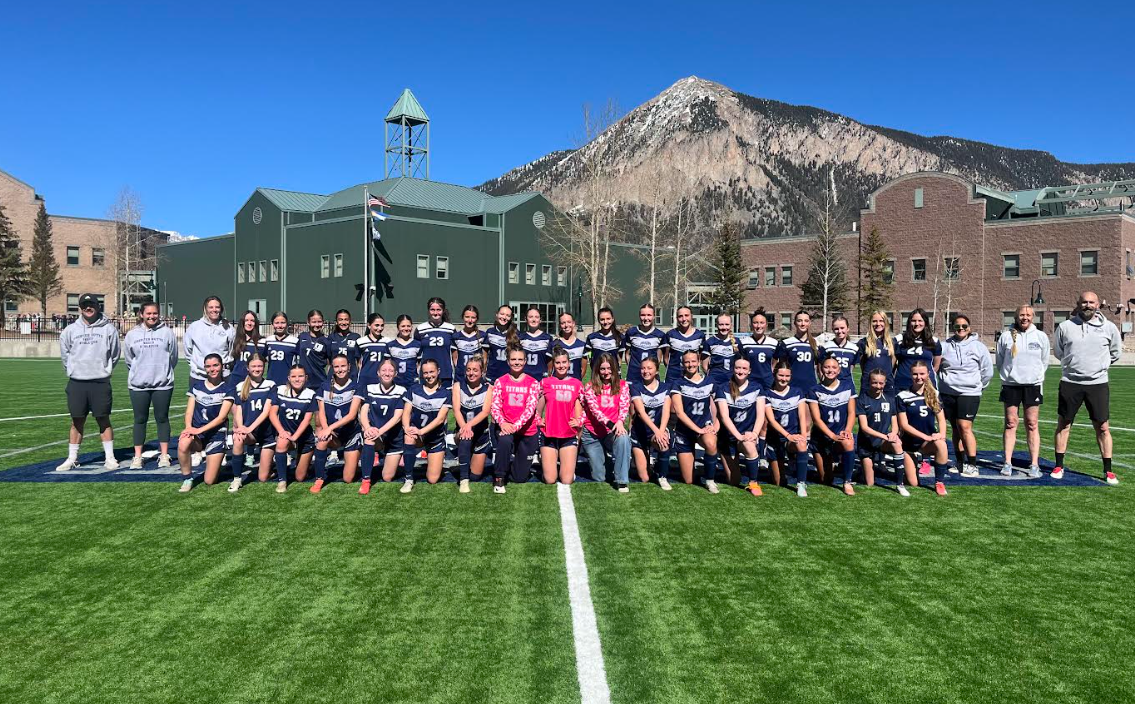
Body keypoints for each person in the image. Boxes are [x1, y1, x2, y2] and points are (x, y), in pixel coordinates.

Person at [1053, 291, 1122, 484]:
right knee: (1064, 424)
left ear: (1098, 305)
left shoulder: (1109, 328)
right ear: (1078, 304)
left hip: (1098, 384)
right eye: (1084, 302)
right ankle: (1058, 466)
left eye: (1091, 302)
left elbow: (1115, 352)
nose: (1088, 305)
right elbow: (1059, 352)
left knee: (1102, 427)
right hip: (1070, 383)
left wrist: (1100, 367)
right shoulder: (1065, 327)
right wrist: (1072, 366)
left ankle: (1108, 470)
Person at [56, 293, 122, 471]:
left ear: (98, 306)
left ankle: (110, 457)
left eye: (91, 304)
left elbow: (115, 354)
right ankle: (72, 458)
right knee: (77, 420)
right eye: (84, 305)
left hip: (100, 382)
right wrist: (73, 371)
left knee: (103, 419)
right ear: (80, 308)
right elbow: (65, 355)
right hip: (77, 382)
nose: (88, 307)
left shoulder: (109, 329)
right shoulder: (70, 330)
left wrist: (104, 369)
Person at [995, 305, 1050, 478]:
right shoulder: (1005, 336)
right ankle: (1007, 463)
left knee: (1032, 423)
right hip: (1011, 385)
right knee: (1011, 423)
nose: (1024, 317)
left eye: (1028, 315)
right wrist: (1009, 376)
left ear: (1033, 316)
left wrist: (1034, 376)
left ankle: (1034, 464)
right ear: (1016, 316)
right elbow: (999, 361)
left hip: (1032, 385)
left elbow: (1045, 361)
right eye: (1021, 315)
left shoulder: (1041, 337)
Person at [123, 300, 177, 469]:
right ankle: (138, 457)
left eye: (155, 313)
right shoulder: (132, 335)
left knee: (162, 418)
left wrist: (163, 370)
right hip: (139, 385)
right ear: (141, 314)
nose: (152, 316)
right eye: (149, 313)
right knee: (140, 419)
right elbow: (129, 360)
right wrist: (141, 372)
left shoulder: (167, 333)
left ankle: (164, 455)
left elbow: (173, 357)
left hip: (162, 384)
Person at [938, 314, 993, 477]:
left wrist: (977, 386)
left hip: (969, 393)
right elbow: (937, 367)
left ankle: (972, 464)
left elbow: (987, 371)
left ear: (969, 328)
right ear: (952, 328)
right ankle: (960, 461)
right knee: (955, 429)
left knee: (965, 427)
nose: (961, 329)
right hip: (948, 393)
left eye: (964, 326)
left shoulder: (979, 347)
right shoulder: (944, 346)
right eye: (957, 326)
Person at [177, 353, 233, 493]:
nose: (212, 369)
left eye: (215, 365)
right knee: (183, 442)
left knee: (209, 481)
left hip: (216, 435)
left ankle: (217, 457)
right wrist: (189, 428)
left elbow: (221, 418)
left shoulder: (228, 388)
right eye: (208, 366)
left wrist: (198, 430)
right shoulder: (197, 386)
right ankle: (187, 478)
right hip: (198, 434)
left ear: (221, 367)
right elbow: (189, 411)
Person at [490, 346, 542, 493]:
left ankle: (514, 465)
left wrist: (514, 426)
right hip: (506, 427)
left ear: (525, 361)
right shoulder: (500, 381)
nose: (517, 362)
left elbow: (530, 409)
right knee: (505, 440)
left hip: (526, 430)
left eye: (520, 359)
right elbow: (495, 407)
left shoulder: (533, 383)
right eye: (513, 359)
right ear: (508, 361)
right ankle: (499, 478)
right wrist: (503, 423)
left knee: (519, 478)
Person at [310, 354, 364, 493]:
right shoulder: (324, 386)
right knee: (321, 440)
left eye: (343, 366)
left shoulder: (356, 387)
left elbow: (352, 415)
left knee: (348, 478)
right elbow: (321, 412)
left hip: (351, 434)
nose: (340, 369)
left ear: (349, 367)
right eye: (336, 366)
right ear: (332, 368)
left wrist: (330, 428)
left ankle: (357, 455)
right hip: (334, 434)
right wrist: (327, 429)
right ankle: (319, 478)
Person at [671, 349, 723, 492]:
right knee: (688, 480)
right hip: (685, 432)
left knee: (711, 442)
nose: (690, 364)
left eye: (693, 361)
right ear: (682, 364)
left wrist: (715, 426)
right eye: (687, 361)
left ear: (699, 361)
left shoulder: (709, 381)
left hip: (703, 428)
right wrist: (698, 429)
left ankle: (710, 479)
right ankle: (700, 468)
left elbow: (720, 407)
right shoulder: (678, 384)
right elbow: (680, 413)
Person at [580, 353, 632, 492]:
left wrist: (620, 422)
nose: (606, 372)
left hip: (612, 432)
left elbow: (624, 406)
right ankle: (607, 461)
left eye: (609, 368)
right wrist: (614, 424)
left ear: (614, 369)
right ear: (597, 370)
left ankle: (622, 481)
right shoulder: (589, 387)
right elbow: (596, 412)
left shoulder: (623, 385)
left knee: (624, 438)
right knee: (600, 477)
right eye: (602, 369)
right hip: (592, 434)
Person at [897, 360, 951, 496]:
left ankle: (939, 482)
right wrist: (925, 436)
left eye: (922, 374)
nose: (918, 377)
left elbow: (941, 420)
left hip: (927, 443)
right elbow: (904, 425)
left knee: (942, 444)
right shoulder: (903, 396)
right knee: (913, 483)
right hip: (909, 445)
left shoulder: (934, 394)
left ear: (928, 374)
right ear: (910, 375)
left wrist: (941, 435)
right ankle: (909, 466)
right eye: (915, 374)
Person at [856, 368, 911, 496]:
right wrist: (885, 436)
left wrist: (893, 434)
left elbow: (895, 424)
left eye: (881, 383)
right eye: (874, 382)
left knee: (897, 443)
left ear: (885, 383)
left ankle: (899, 484)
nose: (878, 386)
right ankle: (861, 472)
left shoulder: (890, 399)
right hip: (867, 443)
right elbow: (864, 427)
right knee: (869, 482)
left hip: (882, 441)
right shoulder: (862, 400)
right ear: (869, 382)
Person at [807, 357, 857, 495]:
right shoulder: (814, 390)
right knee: (826, 479)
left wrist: (847, 430)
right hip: (822, 438)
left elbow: (852, 412)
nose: (830, 370)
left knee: (848, 441)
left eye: (834, 367)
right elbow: (816, 419)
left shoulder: (847, 386)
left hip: (840, 434)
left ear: (839, 370)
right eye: (827, 367)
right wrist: (832, 436)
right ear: (821, 369)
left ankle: (847, 481)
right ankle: (832, 463)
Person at [358, 359, 408, 495]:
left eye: (391, 370)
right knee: (368, 438)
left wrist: (379, 431)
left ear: (395, 373)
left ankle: (393, 459)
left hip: (393, 439)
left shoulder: (401, 390)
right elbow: (363, 411)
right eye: (384, 370)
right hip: (376, 435)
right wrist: (368, 428)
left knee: (387, 477)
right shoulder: (369, 388)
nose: (387, 373)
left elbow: (397, 417)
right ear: (378, 373)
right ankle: (366, 480)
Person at [715, 358, 765, 494]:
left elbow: (761, 415)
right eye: (737, 368)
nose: (740, 371)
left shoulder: (757, 388)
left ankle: (753, 483)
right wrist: (738, 436)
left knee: (749, 445)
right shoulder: (723, 388)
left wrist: (754, 434)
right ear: (733, 369)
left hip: (747, 435)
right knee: (734, 481)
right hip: (728, 437)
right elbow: (724, 416)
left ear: (749, 371)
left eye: (744, 369)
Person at [400, 358, 452, 492]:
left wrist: (421, 431)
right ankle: (409, 479)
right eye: (426, 373)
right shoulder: (414, 389)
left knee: (432, 479)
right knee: (408, 437)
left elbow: (440, 419)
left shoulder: (446, 393)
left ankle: (435, 457)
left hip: (435, 438)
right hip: (417, 435)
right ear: (421, 374)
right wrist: (407, 428)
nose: (429, 376)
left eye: (432, 372)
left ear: (438, 371)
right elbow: (406, 413)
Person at [226, 354, 276, 491]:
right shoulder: (240, 386)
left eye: (260, 366)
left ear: (264, 367)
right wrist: (242, 427)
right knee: (237, 438)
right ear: (247, 368)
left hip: (266, 434)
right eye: (254, 366)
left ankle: (271, 464)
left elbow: (266, 411)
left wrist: (249, 428)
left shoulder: (270, 385)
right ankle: (237, 479)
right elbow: (239, 410)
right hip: (250, 432)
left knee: (263, 478)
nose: (257, 369)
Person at [763, 361, 811, 497]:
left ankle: (801, 484)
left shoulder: (797, 392)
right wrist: (787, 435)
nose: (784, 379)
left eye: (787, 376)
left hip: (792, 438)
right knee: (779, 482)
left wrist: (802, 435)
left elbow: (802, 416)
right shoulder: (767, 393)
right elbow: (771, 420)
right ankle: (775, 464)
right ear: (774, 374)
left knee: (802, 444)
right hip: (775, 439)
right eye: (781, 375)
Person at [540, 347, 585, 484]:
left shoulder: (577, 384)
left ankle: (568, 468)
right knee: (550, 479)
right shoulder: (545, 382)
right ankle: (549, 468)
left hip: (568, 434)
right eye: (558, 363)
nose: (561, 366)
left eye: (564, 362)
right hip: (549, 434)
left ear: (569, 363)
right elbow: (536, 409)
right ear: (553, 364)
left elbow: (585, 409)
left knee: (566, 480)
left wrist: (579, 422)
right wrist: (538, 420)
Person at [269, 365, 317, 493]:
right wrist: (282, 432)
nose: (297, 379)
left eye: (300, 376)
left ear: (306, 378)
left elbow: (307, 420)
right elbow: (272, 414)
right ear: (288, 378)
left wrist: (295, 437)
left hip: (304, 437)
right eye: (294, 376)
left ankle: (306, 464)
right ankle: (282, 480)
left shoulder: (310, 394)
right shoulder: (280, 390)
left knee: (300, 477)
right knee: (282, 441)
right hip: (286, 435)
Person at [630, 357, 672, 489]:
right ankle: (639, 461)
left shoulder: (665, 387)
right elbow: (641, 413)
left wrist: (661, 431)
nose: (645, 371)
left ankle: (662, 476)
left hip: (657, 432)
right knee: (645, 478)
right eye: (643, 368)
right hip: (640, 433)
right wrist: (657, 431)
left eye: (649, 368)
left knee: (663, 441)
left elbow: (666, 412)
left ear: (657, 371)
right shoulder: (636, 387)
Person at [453, 355, 493, 493]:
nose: (471, 373)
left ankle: (465, 460)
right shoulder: (458, 386)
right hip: (463, 431)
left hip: (480, 435)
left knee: (475, 476)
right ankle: (463, 480)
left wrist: (469, 425)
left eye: (475, 370)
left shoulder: (488, 388)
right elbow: (457, 410)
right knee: (465, 436)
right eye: (469, 369)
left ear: (482, 372)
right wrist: (465, 427)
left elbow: (485, 412)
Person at [184, 296, 235, 381]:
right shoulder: (194, 327)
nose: (214, 310)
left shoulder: (229, 328)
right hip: (199, 377)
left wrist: (224, 367)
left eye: (217, 307)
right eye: (211, 307)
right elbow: (188, 350)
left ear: (221, 309)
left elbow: (232, 351)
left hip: (222, 377)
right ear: (205, 309)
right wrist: (197, 366)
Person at [893, 308, 942, 391]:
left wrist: (925, 376)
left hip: (927, 386)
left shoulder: (934, 341)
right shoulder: (898, 340)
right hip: (903, 384)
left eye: (920, 321)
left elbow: (936, 366)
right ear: (909, 322)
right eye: (913, 321)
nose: (917, 323)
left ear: (925, 323)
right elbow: (892, 365)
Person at [623, 304, 668, 384]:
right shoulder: (631, 332)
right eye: (643, 315)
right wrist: (634, 367)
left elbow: (659, 358)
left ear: (654, 316)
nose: (646, 318)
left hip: (652, 377)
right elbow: (627, 354)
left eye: (649, 315)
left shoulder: (660, 335)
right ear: (639, 316)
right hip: (634, 376)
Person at [417, 297, 457, 385]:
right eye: (432, 310)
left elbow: (454, 355)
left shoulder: (450, 329)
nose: (435, 313)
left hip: (445, 373)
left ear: (443, 311)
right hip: (426, 374)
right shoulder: (420, 329)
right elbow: (417, 355)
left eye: (438, 310)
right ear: (428, 311)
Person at [776, 310, 819, 388]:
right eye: (799, 321)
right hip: (791, 387)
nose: (803, 324)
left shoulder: (816, 344)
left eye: (806, 321)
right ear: (795, 323)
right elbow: (781, 366)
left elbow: (819, 367)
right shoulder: (786, 343)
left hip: (811, 387)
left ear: (809, 323)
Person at [857, 311, 895, 393]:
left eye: (881, 321)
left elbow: (892, 362)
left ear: (886, 323)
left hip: (887, 384)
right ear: (870, 323)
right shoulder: (863, 342)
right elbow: (862, 363)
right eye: (874, 321)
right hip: (868, 384)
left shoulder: (892, 343)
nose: (878, 324)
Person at [665, 306, 705, 383]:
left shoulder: (700, 335)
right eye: (680, 316)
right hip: (673, 378)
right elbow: (666, 358)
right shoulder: (670, 334)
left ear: (691, 316)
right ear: (677, 318)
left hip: (692, 378)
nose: (684, 319)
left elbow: (701, 357)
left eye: (686, 315)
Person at [818, 315, 859, 386]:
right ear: (833, 329)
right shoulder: (826, 347)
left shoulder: (854, 348)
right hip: (830, 385)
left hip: (847, 385)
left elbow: (851, 367)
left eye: (842, 328)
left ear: (848, 328)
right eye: (836, 329)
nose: (840, 331)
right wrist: (823, 380)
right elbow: (819, 366)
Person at [702, 314, 739, 387]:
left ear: (731, 325)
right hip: (715, 381)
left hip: (733, 382)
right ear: (716, 325)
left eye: (727, 324)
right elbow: (704, 366)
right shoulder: (710, 342)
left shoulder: (737, 342)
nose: (724, 327)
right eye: (721, 324)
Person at [230, 311, 267, 384]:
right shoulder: (235, 339)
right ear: (242, 322)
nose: (249, 323)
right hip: (235, 379)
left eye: (252, 321)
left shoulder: (262, 341)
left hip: (253, 380)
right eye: (246, 320)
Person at [296, 309, 330, 391]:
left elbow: (330, 363)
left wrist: (329, 380)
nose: (317, 324)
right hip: (303, 381)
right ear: (308, 322)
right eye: (314, 322)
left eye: (319, 322)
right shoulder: (302, 337)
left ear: (323, 322)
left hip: (319, 381)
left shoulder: (326, 341)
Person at [483, 305, 518, 382]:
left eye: (507, 315)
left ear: (511, 318)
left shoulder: (516, 334)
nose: (504, 317)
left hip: (509, 376)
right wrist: (483, 371)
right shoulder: (490, 332)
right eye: (502, 314)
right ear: (497, 314)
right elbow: (485, 355)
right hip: (492, 376)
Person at [387, 314, 423, 387]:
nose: (406, 329)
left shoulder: (418, 345)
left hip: (412, 383)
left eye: (408, 326)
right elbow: (387, 364)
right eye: (403, 326)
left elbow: (420, 364)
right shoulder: (390, 345)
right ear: (398, 327)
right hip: (395, 383)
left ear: (412, 327)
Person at [264, 311, 298, 387]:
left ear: (287, 324)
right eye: (277, 323)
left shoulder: (294, 341)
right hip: (270, 382)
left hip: (288, 383)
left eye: (283, 323)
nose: (280, 326)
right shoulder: (268, 340)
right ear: (272, 324)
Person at [453, 305, 486, 383]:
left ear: (477, 319)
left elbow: (484, 359)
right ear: (463, 317)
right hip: (461, 377)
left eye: (473, 318)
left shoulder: (483, 336)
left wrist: (481, 372)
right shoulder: (456, 336)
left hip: (476, 377)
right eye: (467, 317)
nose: (470, 320)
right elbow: (455, 359)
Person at [518, 307, 553, 379]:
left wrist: (549, 376)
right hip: (524, 377)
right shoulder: (520, 338)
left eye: (537, 317)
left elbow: (550, 362)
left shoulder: (547, 338)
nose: (534, 320)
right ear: (526, 319)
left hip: (541, 378)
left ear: (540, 320)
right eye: (530, 317)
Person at [586, 307, 622, 375]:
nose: (605, 322)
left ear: (613, 319)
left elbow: (619, 359)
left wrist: (618, 372)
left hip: (613, 376)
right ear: (599, 320)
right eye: (602, 319)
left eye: (608, 319)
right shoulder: (592, 337)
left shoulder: (620, 337)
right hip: (597, 376)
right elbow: (589, 357)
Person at [356, 313, 389, 387]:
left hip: (381, 379)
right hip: (365, 379)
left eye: (382, 325)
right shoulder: (361, 342)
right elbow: (359, 363)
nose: (380, 328)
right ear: (369, 325)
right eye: (377, 325)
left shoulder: (387, 342)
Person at [554, 311, 587, 380]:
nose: (566, 325)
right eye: (563, 323)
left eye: (569, 322)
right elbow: (550, 369)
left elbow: (583, 369)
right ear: (560, 325)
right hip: (558, 385)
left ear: (573, 323)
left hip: (574, 386)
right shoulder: (553, 345)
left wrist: (575, 382)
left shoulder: (582, 345)